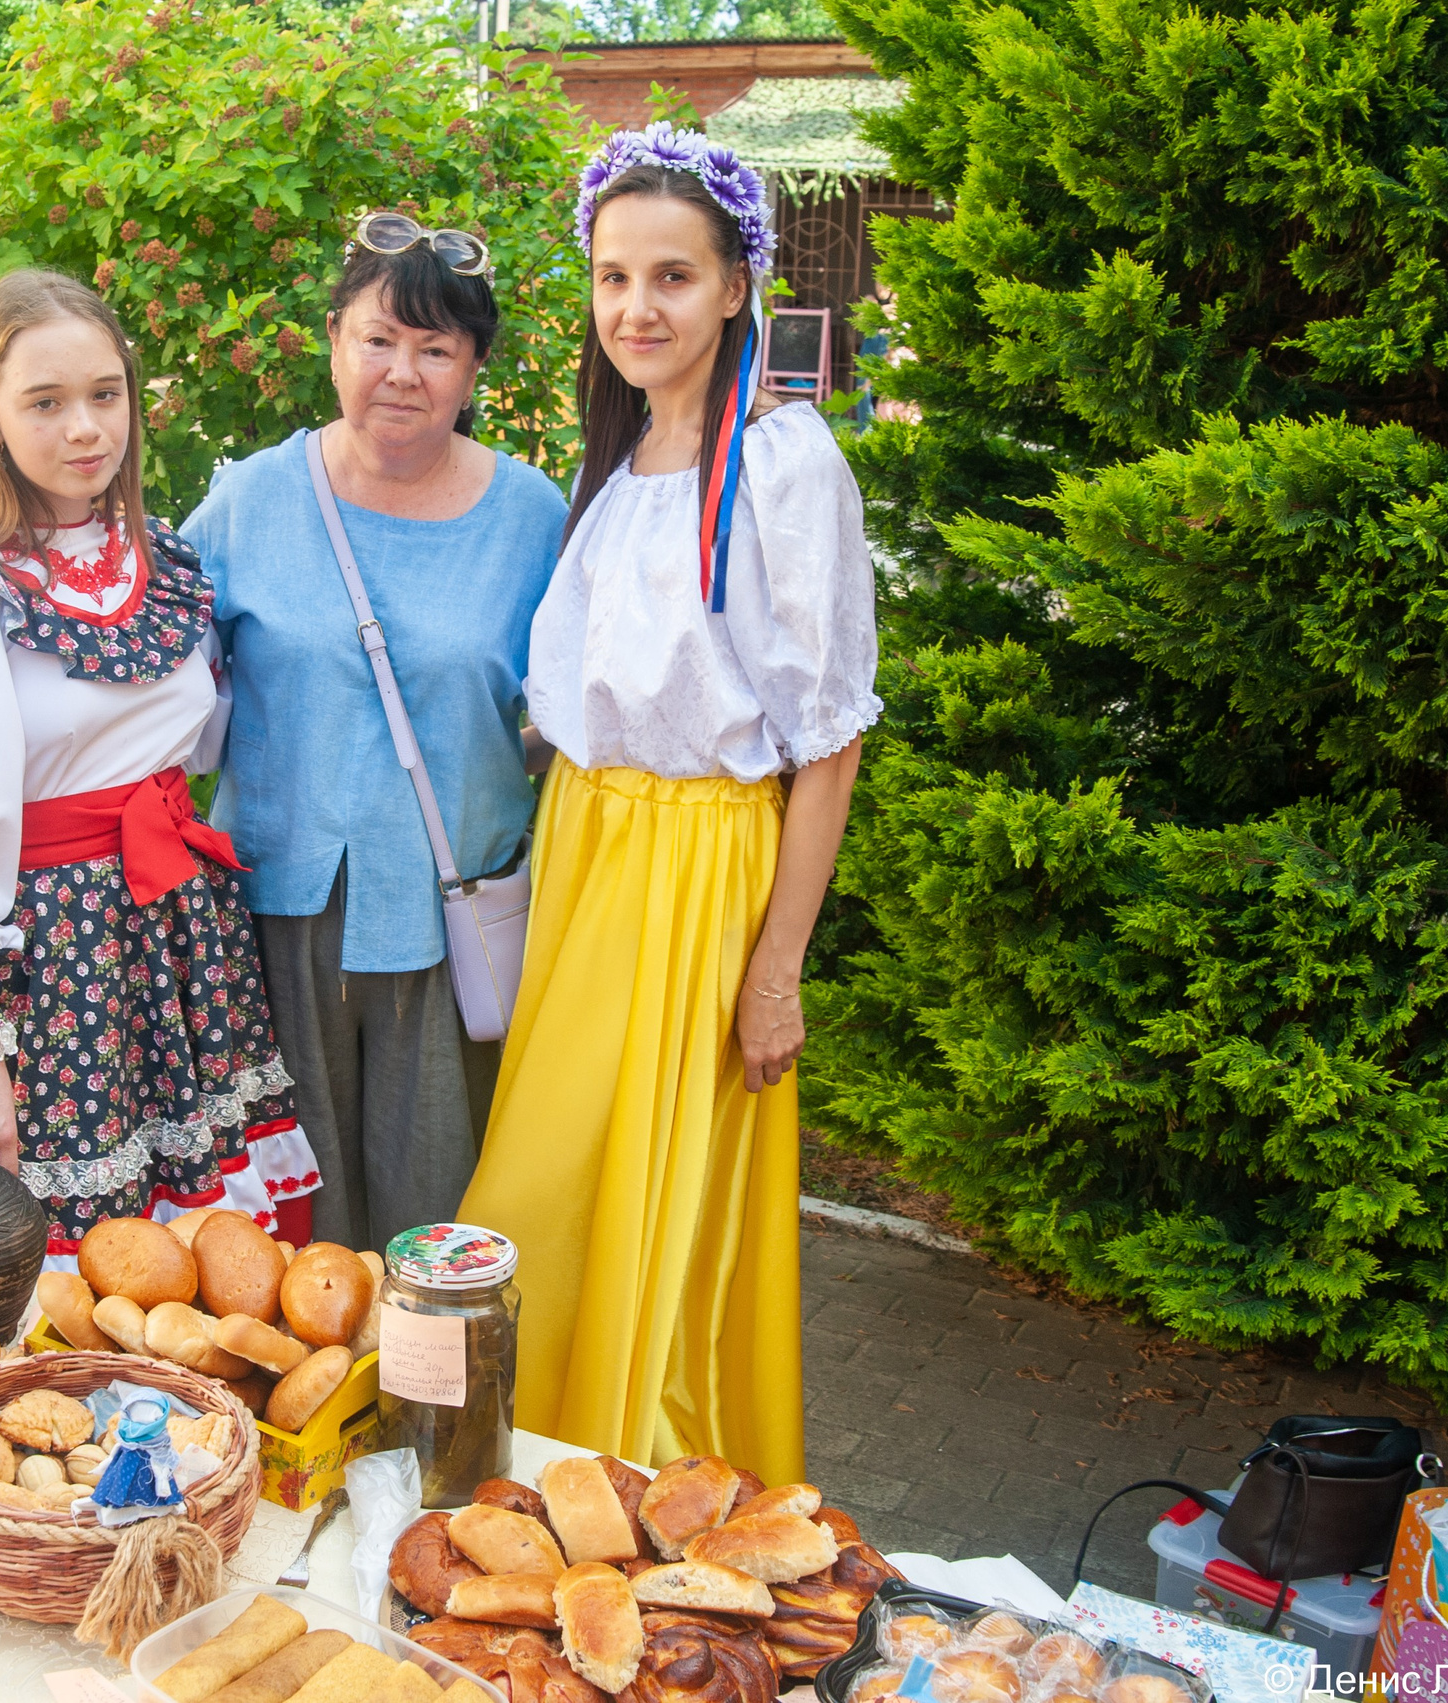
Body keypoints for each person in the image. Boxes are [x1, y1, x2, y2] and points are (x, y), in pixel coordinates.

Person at [459, 126, 881, 1482]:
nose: (637, 307)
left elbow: (828, 741)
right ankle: (539, 1470)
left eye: (673, 278)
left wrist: (777, 967)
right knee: (561, 1181)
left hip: (699, 868)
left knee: (639, 1194)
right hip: (591, 846)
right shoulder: (626, 450)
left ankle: (636, 1479)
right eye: (613, 277)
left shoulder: (782, 461)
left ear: (737, 286)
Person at [0, 268, 320, 1262]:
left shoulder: (162, 558)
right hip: (54, 957)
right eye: (45, 402)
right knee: (82, 1251)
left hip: (184, 935)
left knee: (212, 1258)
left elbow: (199, 738)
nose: (85, 428)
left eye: (104, 394)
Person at [182, 215, 568, 1255]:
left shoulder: (534, 517)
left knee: (438, 1216)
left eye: (436, 349)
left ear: (474, 366)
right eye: (378, 339)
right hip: (271, 917)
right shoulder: (247, 499)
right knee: (279, 1222)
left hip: (449, 921)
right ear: (333, 339)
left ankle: (432, 1410)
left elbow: (580, 710)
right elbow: (161, 688)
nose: (403, 372)